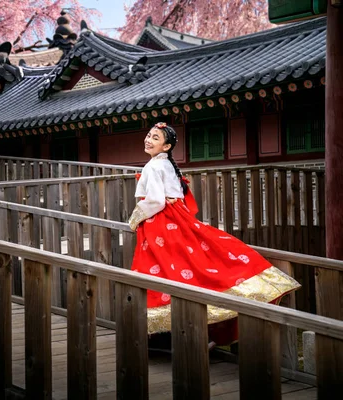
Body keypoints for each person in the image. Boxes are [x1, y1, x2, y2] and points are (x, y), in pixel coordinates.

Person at [128, 121, 300, 345]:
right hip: (177, 217)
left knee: (160, 267)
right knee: (186, 262)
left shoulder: (153, 166)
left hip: (160, 221)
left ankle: (166, 334)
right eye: (149, 135)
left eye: (155, 138)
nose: (148, 140)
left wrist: (134, 219)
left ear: (167, 147)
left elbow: (155, 201)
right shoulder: (165, 164)